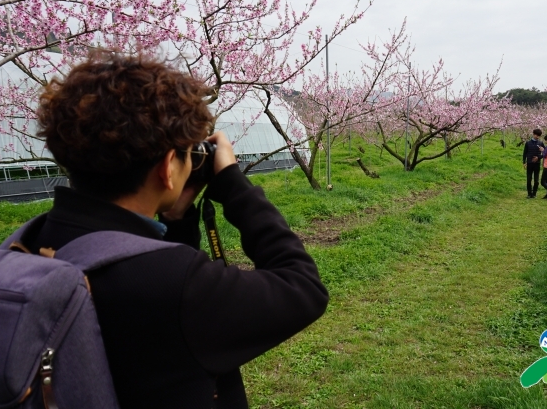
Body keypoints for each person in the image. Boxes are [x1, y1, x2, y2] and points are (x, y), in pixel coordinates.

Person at [22, 52, 328, 408]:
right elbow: (303, 289)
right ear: (169, 167)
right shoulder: (177, 285)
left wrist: (177, 221)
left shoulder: (27, 245)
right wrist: (234, 186)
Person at [522, 128, 545, 198]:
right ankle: (529, 194)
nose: (537, 137)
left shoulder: (541, 143)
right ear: (533, 134)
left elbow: (545, 153)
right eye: (536, 135)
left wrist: (539, 157)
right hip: (529, 163)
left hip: (537, 163)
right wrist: (524, 162)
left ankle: (534, 193)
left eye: (539, 136)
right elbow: (525, 153)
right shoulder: (528, 143)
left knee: (536, 180)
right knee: (529, 179)